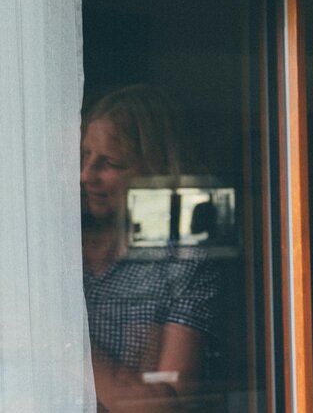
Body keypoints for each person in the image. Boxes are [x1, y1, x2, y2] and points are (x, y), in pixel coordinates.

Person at [80, 84, 220, 412]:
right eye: (84, 156)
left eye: (109, 163)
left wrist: (65, 347)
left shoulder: (183, 260)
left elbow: (164, 406)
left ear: (154, 171)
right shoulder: (53, 248)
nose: (86, 175)